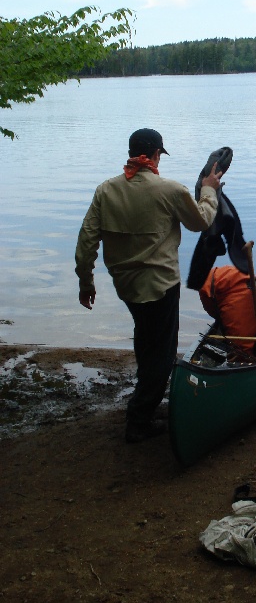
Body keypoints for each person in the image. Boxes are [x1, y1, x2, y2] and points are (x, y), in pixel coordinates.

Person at [75, 128, 221, 443]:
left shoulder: (106, 191)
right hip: (160, 285)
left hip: (126, 286)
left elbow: (87, 240)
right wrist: (209, 190)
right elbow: (201, 221)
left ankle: (146, 397)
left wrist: (86, 281)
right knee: (162, 352)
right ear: (156, 155)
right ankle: (139, 420)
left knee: (146, 339)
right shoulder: (170, 190)